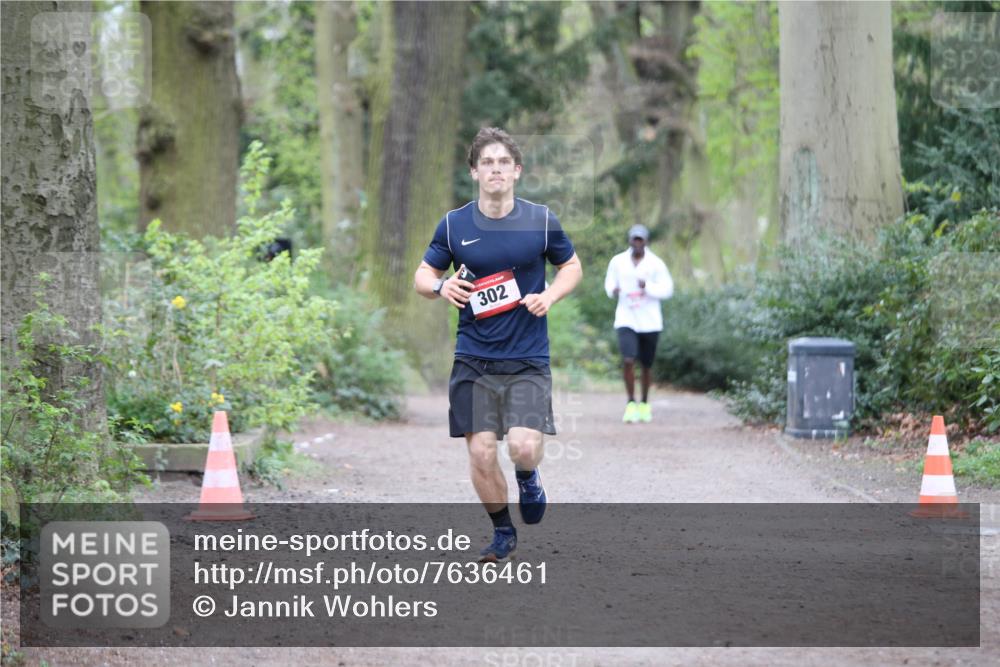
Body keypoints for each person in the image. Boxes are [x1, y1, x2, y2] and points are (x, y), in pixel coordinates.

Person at [413, 127, 582, 561]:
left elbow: (572, 267)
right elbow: (422, 276)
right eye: (486, 162)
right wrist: (440, 288)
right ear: (474, 172)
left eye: (503, 163)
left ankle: (528, 477)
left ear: (517, 171)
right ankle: (503, 531)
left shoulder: (541, 220)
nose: (495, 170)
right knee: (483, 452)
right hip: (473, 357)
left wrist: (550, 295)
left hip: (526, 356)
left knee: (523, 447)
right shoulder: (454, 224)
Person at [604, 224, 673, 423]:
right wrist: (613, 290)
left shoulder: (656, 263)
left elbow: (667, 289)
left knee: (646, 365)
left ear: (646, 241)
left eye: (640, 239)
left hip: (649, 320)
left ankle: (644, 403)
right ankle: (630, 403)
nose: (637, 243)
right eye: (634, 239)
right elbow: (609, 283)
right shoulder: (618, 261)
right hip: (626, 317)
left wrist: (648, 287)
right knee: (628, 359)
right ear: (629, 241)